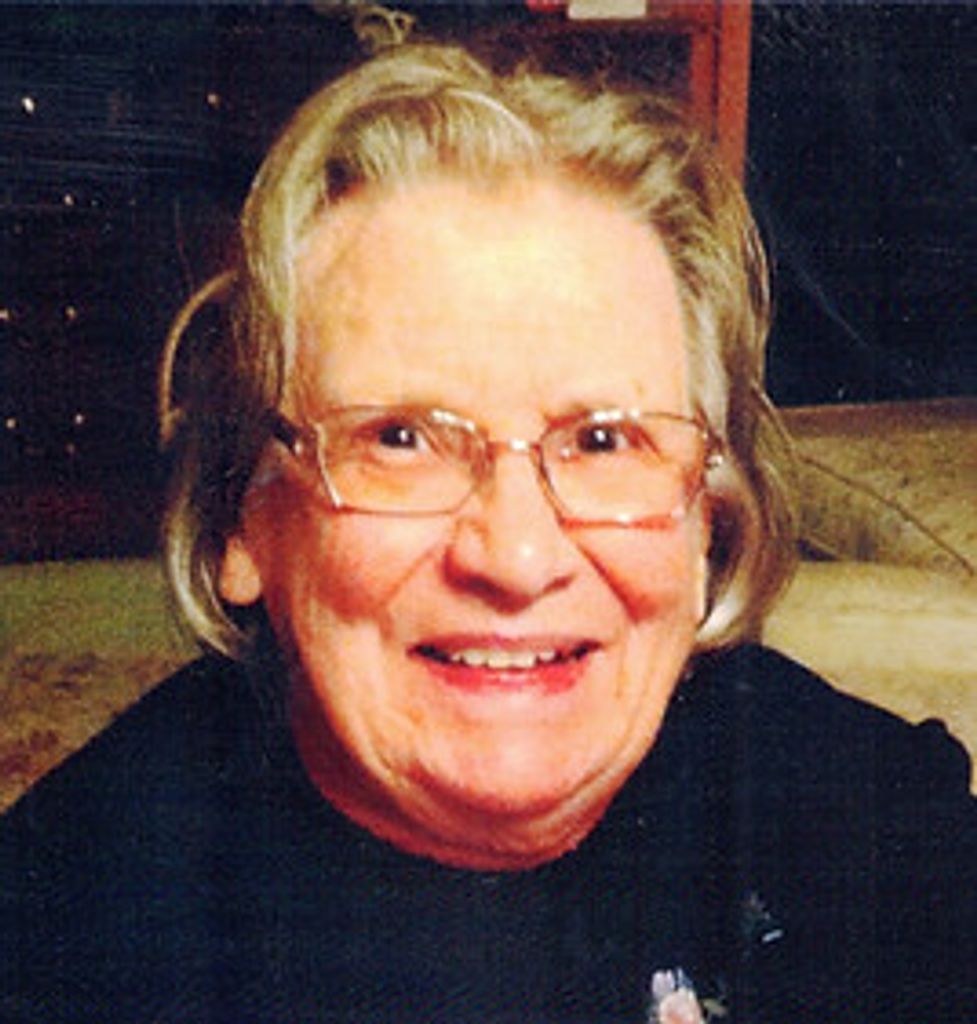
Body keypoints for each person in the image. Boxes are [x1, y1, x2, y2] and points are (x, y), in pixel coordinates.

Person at [1, 42, 974, 1024]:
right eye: (400, 438)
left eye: (602, 440)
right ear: (241, 522)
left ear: (703, 519)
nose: (515, 556)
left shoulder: (870, 819)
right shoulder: (65, 940)